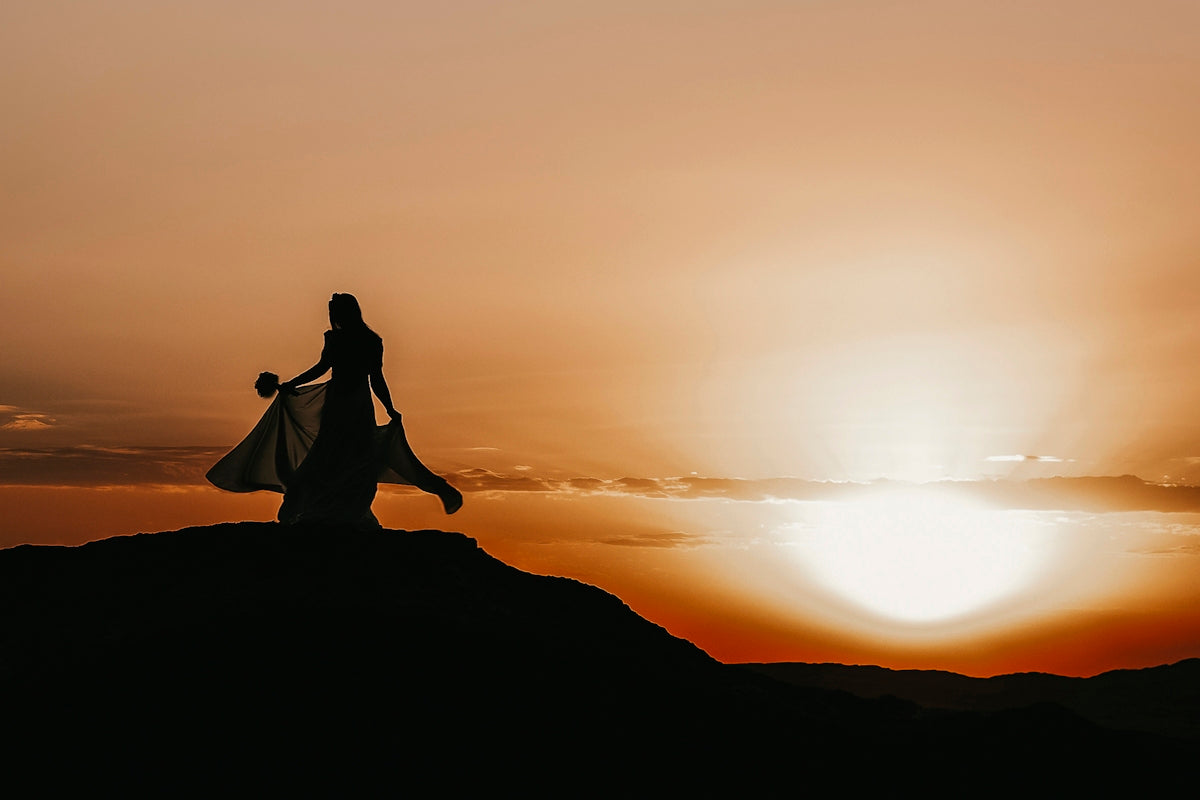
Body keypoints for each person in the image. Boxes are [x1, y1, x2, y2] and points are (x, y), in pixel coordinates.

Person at [206, 293, 462, 527]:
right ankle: (343, 511)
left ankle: (330, 510)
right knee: (350, 460)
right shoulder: (369, 340)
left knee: (335, 460)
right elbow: (373, 378)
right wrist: (389, 408)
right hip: (353, 406)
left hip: (343, 406)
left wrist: (389, 408)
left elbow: (332, 370)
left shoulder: (344, 340)